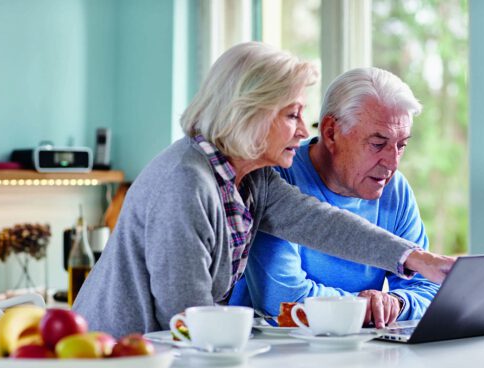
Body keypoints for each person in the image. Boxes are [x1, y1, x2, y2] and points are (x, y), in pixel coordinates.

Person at [73, 42, 455, 338]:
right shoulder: (186, 182)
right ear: (249, 113)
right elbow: (187, 320)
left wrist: (415, 258)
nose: (306, 131)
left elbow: (323, 224)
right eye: (292, 115)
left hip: (159, 357)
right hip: (116, 361)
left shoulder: (252, 179)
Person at [230, 67, 439, 328]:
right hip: (276, 353)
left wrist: (396, 303)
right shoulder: (275, 178)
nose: (392, 162)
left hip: (359, 352)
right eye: (377, 144)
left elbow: (427, 288)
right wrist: (365, 308)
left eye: (402, 145)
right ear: (330, 132)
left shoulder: (394, 189)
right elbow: (282, 301)